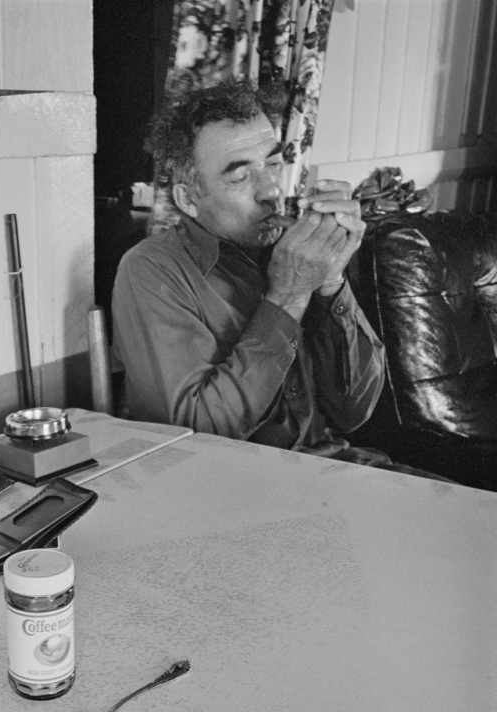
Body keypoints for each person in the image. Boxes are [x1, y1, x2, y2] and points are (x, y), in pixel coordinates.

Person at [112, 79, 395, 468]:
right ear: (189, 200)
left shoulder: (293, 249)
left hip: (335, 466)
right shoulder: (153, 269)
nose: (271, 191)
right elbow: (192, 438)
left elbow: (354, 411)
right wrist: (288, 295)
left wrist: (330, 281)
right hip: (237, 483)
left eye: (274, 164)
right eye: (240, 176)